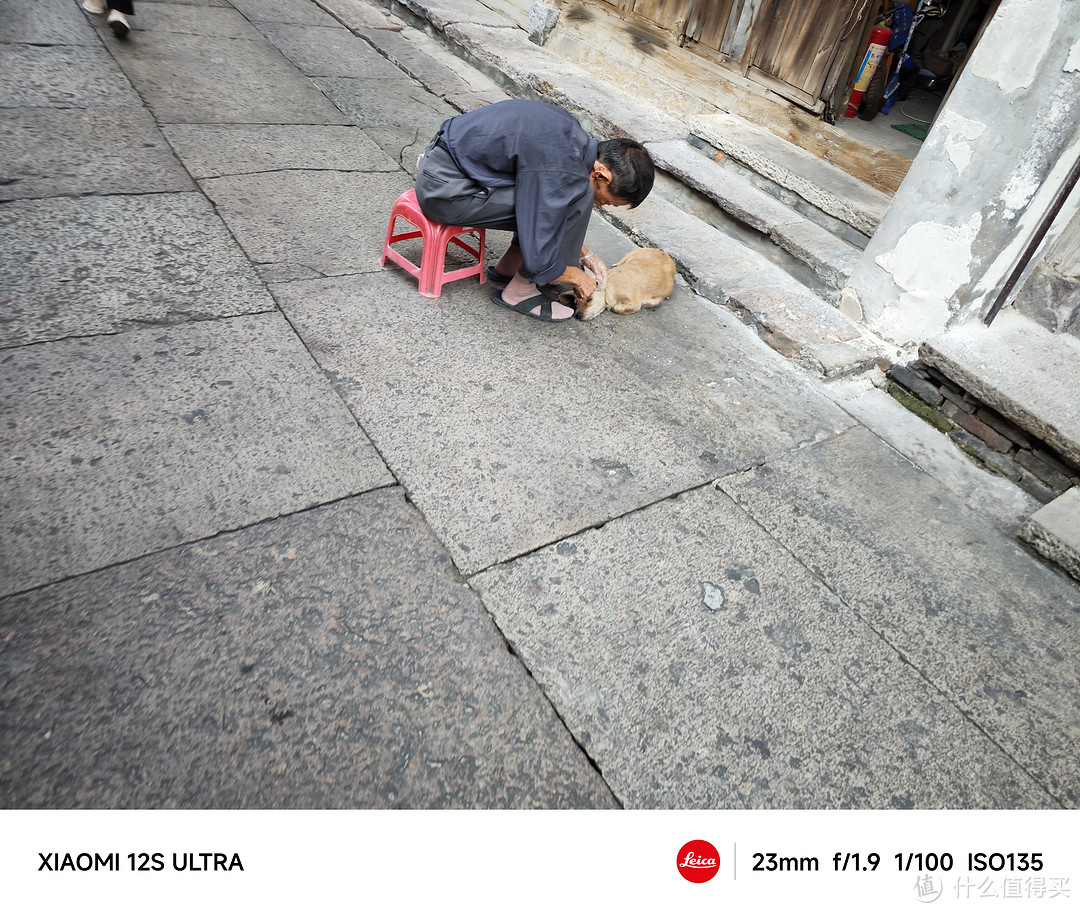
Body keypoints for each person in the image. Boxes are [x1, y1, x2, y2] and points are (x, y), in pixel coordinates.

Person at [415, 99, 655, 322]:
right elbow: (544, 214)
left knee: (558, 197)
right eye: (606, 201)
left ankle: (509, 267)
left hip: (444, 171)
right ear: (600, 174)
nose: (600, 206)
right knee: (577, 197)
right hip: (445, 193)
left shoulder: (570, 137)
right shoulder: (563, 168)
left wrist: (584, 255)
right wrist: (577, 277)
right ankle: (520, 291)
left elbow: (539, 195)